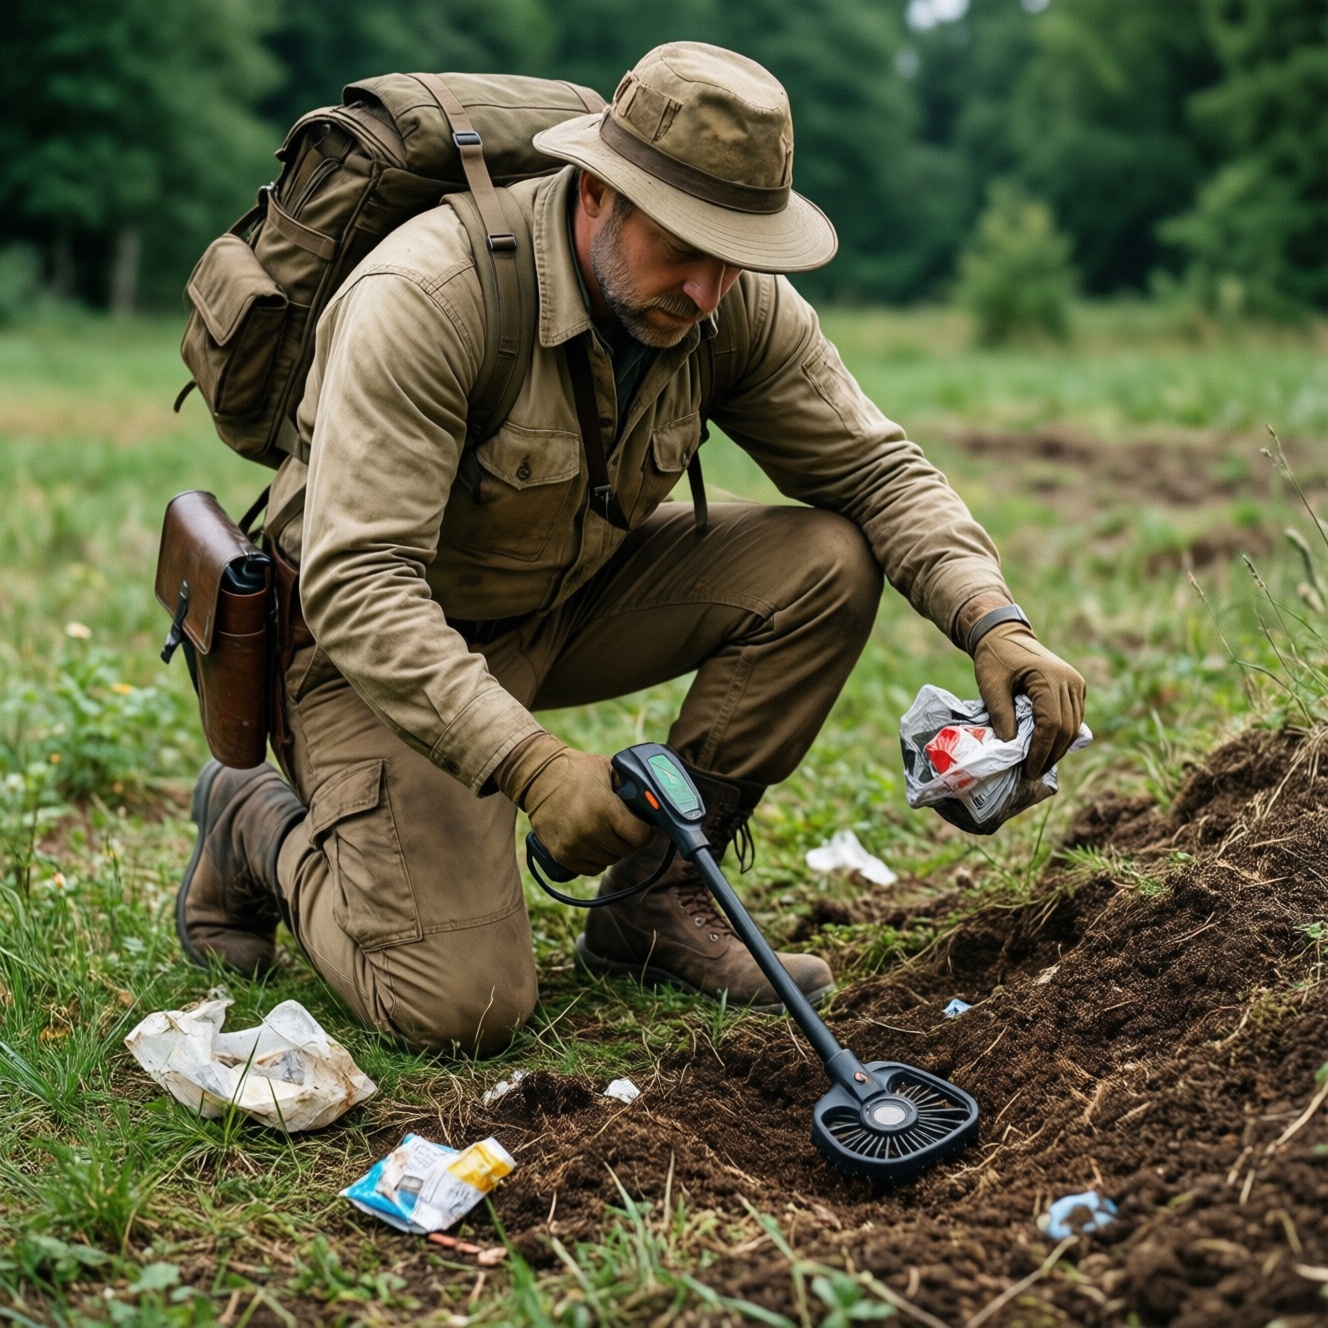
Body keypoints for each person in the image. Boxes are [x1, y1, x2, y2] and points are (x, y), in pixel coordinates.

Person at [175, 42, 1085, 1055]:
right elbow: (360, 584)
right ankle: (257, 823)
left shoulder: (725, 299)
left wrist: (992, 620)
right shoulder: (428, 296)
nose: (707, 290)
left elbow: (873, 470)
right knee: (460, 1004)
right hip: (365, 656)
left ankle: (655, 902)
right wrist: (528, 762)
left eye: (733, 253)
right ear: (597, 194)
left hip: (560, 599)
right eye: (680, 246)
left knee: (825, 559)